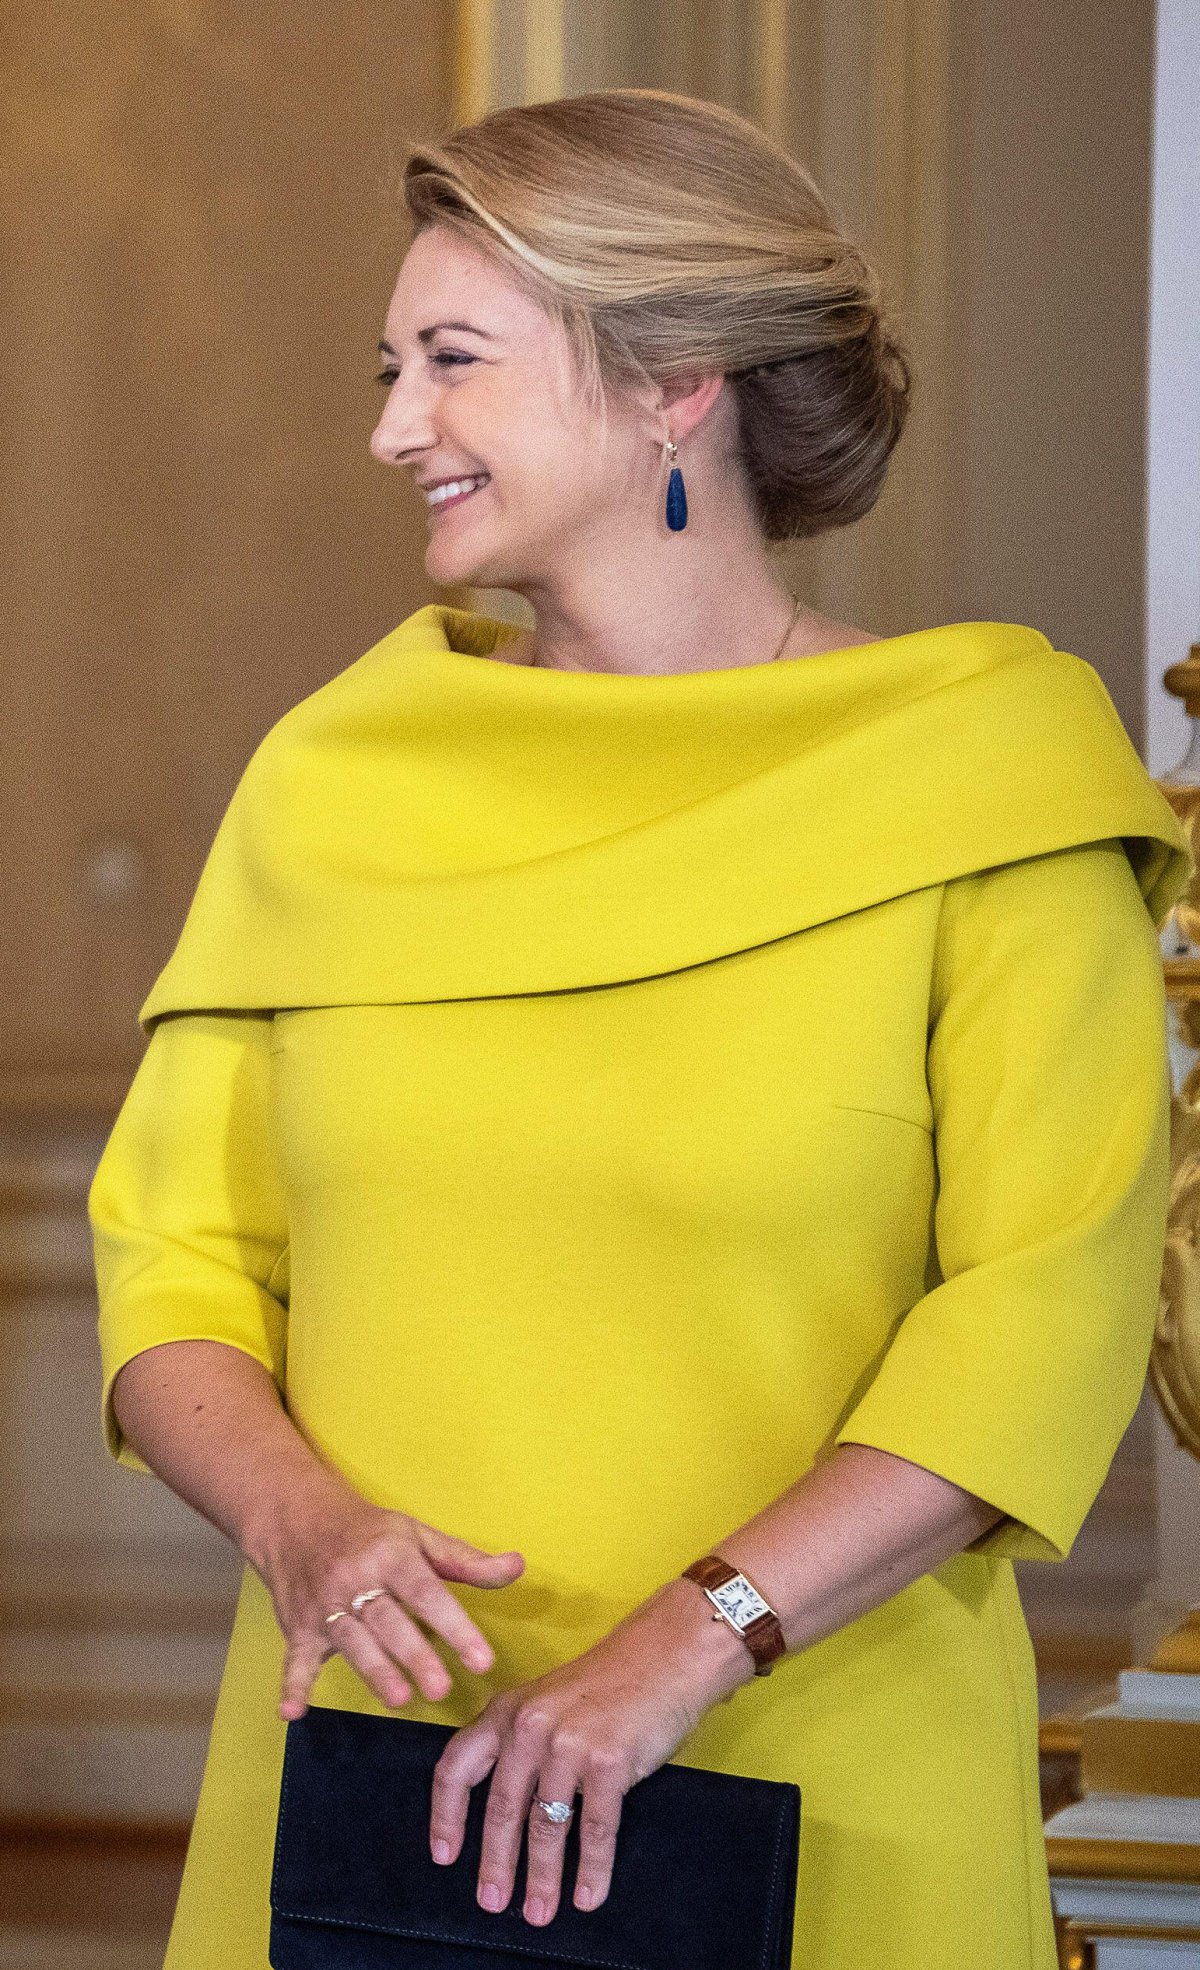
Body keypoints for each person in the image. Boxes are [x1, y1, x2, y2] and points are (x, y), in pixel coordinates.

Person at [89, 87, 1192, 1970]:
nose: (389, 426)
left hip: (824, 1776)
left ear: (673, 380)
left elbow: (1045, 1305)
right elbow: (174, 1253)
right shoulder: (338, 780)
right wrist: (300, 1527)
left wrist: (678, 1647)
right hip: (376, 1774)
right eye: (388, 365)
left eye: (451, 361)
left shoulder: (989, 778)